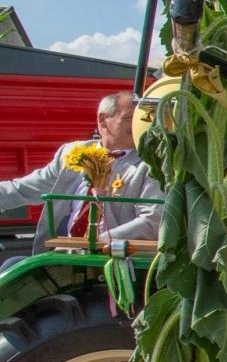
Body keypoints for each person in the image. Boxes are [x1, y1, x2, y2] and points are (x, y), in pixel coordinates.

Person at [0, 89, 163, 266]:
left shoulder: (150, 164)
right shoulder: (72, 153)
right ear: (103, 120)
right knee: (11, 266)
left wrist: (91, 243)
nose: (138, 124)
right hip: (63, 256)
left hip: (114, 261)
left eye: (142, 118)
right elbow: (22, 190)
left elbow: (151, 222)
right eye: (129, 118)